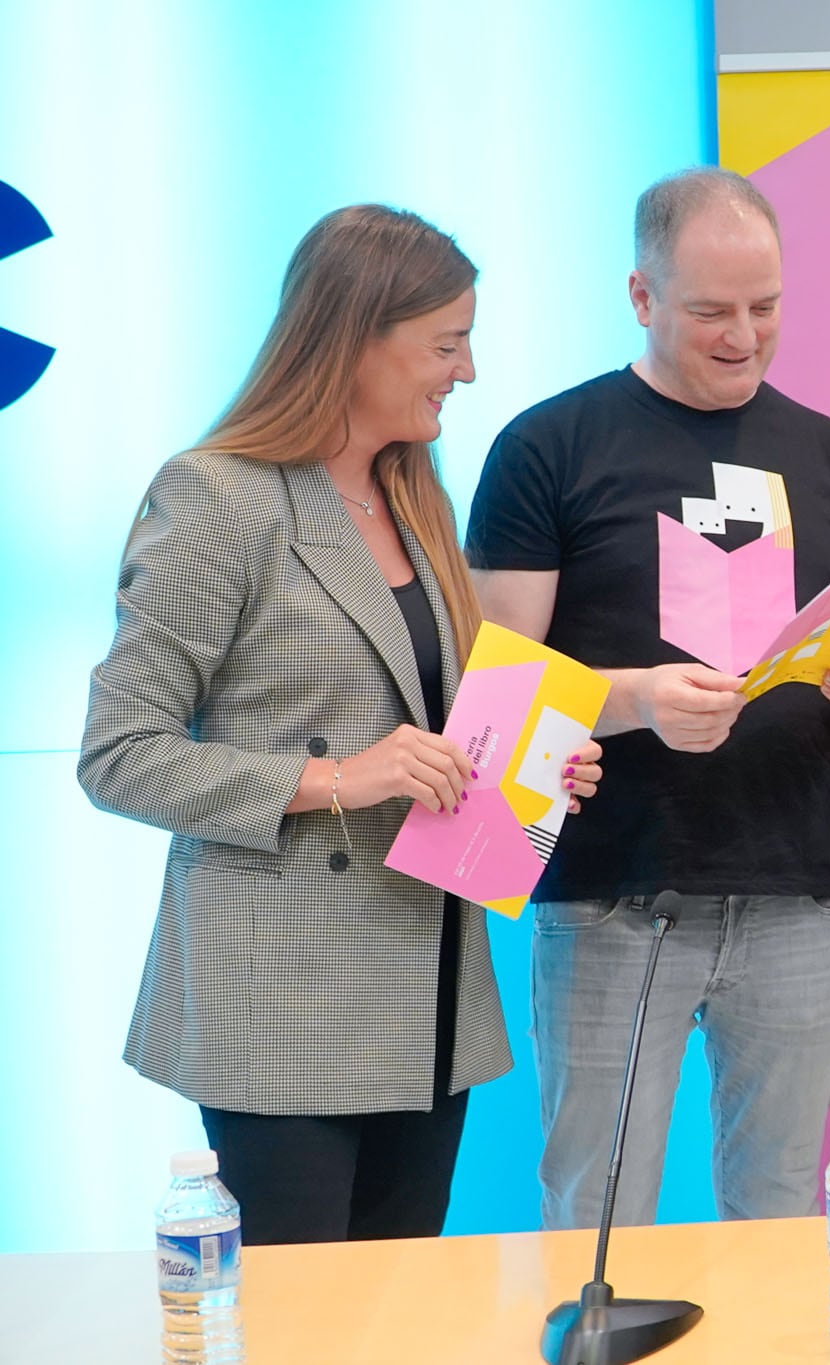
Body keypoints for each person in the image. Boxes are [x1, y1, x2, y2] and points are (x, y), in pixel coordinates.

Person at [78, 205, 604, 1244]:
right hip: (285, 1000)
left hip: (430, 989)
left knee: (396, 1318)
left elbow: (437, 721)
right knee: (299, 1329)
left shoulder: (416, 495)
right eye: (446, 344)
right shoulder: (216, 498)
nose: (467, 370)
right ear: (357, 338)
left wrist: (535, 763)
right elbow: (118, 754)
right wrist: (333, 780)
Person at [465, 168, 830, 1229]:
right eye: (710, 311)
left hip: (797, 889)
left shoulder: (826, 452)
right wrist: (637, 699)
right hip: (617, 893)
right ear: (640, 296)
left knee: (778, 1210)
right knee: (597, 1210)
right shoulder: (546, 448)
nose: (742, 337)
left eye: (766, 308)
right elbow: (491, 696)